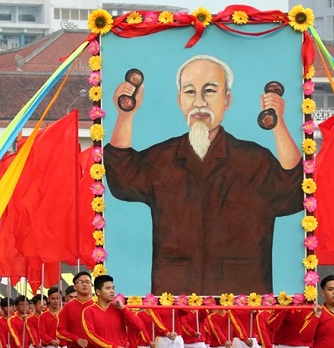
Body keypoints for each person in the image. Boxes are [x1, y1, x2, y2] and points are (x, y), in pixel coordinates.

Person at [104, 54, 303, 294]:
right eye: (189, 92)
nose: (199, 102)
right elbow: (122, 176)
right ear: (179, 101)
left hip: (242, 295)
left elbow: (295, 189)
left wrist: (278, 122)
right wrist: (125, 115)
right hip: (176, 295)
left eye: (209, 91)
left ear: (227, 99)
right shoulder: (163, 158)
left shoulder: (254, 160)